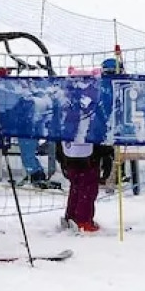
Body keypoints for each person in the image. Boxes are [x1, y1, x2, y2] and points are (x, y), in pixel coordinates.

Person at [58, 56, 121, 233]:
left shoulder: (67, 102)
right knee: (88, 187)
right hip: (88, 153)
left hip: (70, 152)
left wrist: (60, 156)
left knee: (76, 185)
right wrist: (106, 152)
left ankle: (71, 216)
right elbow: (100, 128)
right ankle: (83, 220)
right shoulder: (96, 102)